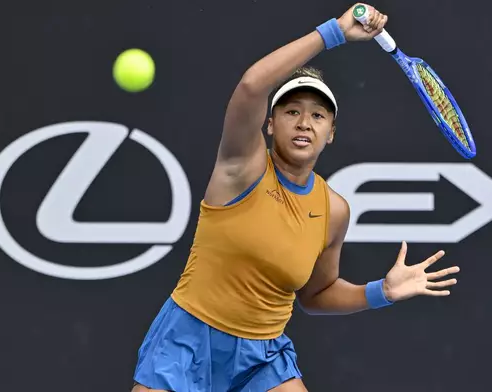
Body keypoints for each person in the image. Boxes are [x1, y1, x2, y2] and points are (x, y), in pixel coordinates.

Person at [131, 3, 460, 391]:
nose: (305, 122)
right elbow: (253, 86)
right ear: (269, 124)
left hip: (263, 358)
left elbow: (317, 293)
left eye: (318, 116)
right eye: (291, 111)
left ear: (331, 132)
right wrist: (335, 32)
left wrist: (381, 292)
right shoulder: (241, 165)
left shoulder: (334, 209)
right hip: (186, 341)